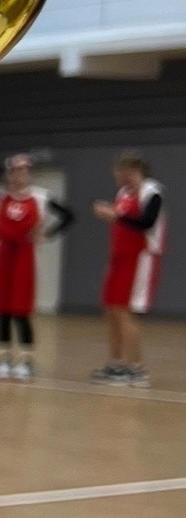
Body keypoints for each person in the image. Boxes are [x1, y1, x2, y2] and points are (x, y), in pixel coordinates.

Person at [0, 153, 73, 381]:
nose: (19, 175)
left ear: (30, 174)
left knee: (21, 311)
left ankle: (26, 361)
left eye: (24, 171)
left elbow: (68, 216)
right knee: (2, 311)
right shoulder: (0, 195)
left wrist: (47, 233)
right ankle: (4, 359)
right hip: (2, 257)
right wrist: (7, 163)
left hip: (25, 257)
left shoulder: (40, 197)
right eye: (15, 171)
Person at [92, 152, 167, 386]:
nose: (123, 178)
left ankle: (137, 369)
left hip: (140, 258)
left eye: (128, 173)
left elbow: (146, 222)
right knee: (112, 310)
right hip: (119, 258)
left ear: (138, 172)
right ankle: (117, 364)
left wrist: (115, 215)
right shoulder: (123, 194)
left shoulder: (152, 192)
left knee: (125, 311)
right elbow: (121, 223)